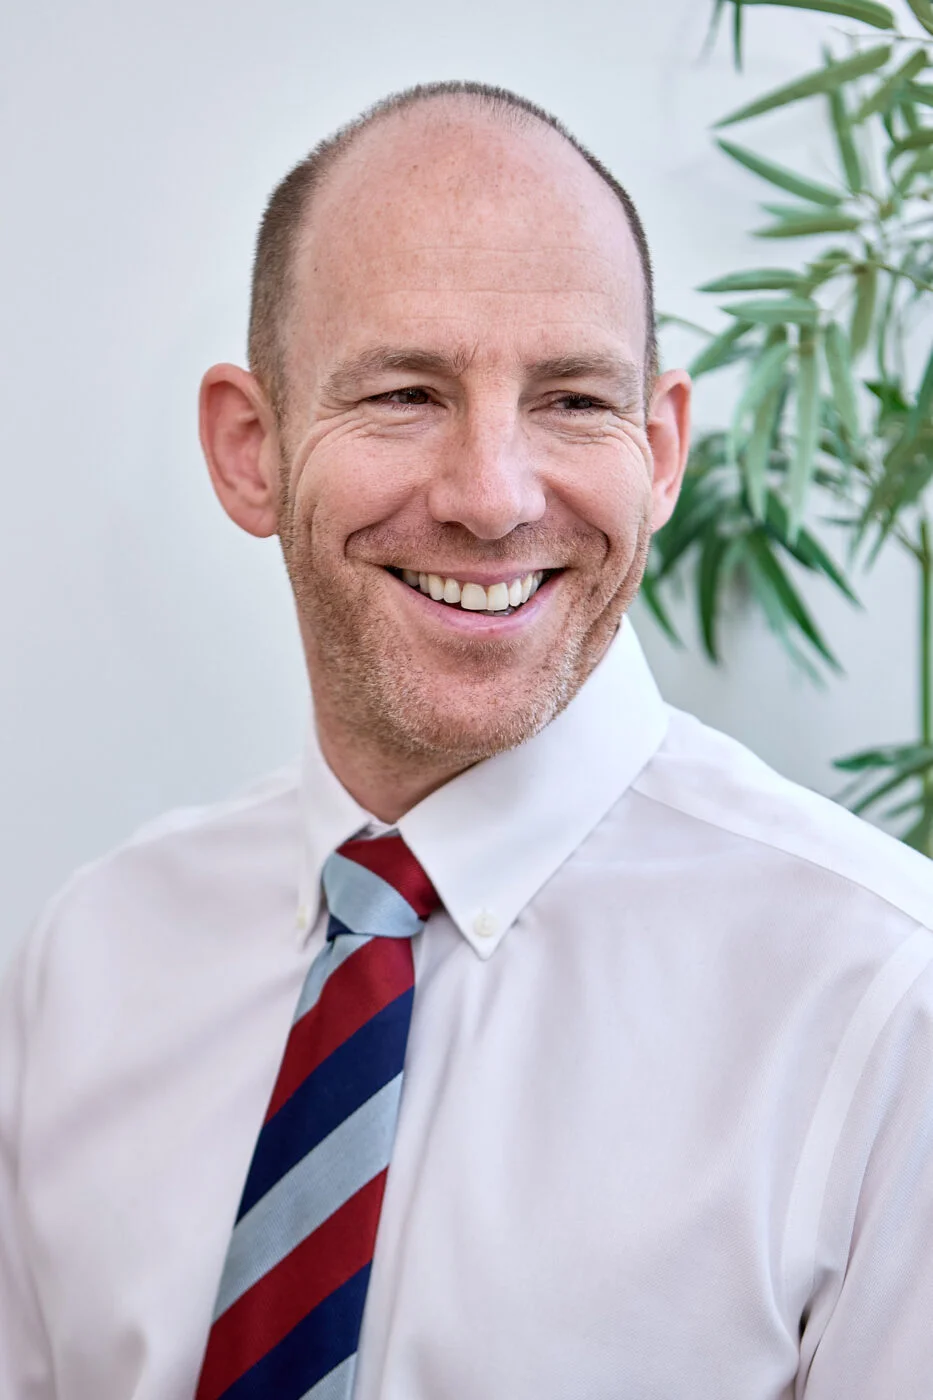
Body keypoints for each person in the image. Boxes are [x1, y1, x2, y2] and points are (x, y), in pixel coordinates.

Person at [1, 79, 932, 1400]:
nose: (494, 498)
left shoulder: (885, 1008)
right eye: (403, 393)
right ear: (249, 448)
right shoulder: (89, 968)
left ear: (661, 451)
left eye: (571, 401)